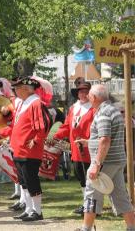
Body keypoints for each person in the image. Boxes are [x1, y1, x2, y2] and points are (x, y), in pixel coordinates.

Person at [75, 85, 135, 231]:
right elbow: (109, 138)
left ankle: (86, 228)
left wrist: (96, 164)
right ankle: (132, 227)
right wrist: (88, 142)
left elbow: (105, 140)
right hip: (117, 160)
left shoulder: (103, 113)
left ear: (94, 97)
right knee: (120, 195)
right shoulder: (113, 110)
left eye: (89, 95)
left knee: (91, 193)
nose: (88, 98)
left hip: (105, 162)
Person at [8, 77, 50, 222]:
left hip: (29, 150)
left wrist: (37, 140)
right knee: (24, 181)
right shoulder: (23, 103)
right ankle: (29, 209)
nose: (15, 90)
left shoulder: (36, 102)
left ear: (26, 89)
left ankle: (37, 211)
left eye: (17, 88)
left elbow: (44, 123)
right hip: (18, 147)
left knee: (31, 180)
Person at [53, 82, 94, 215]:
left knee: (91, 179)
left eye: (86, 91)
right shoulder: (73, 108)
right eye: (80, 91)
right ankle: (86, 204)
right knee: (81, 177)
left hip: (90, 148)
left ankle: (93, 207)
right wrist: (55, 136)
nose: (83, 94)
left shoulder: (95, 108)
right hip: (76, 150)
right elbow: (66, 126)